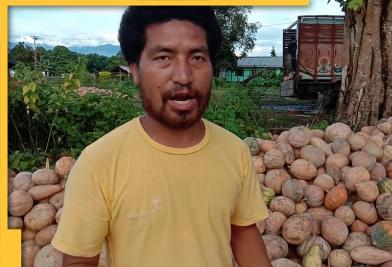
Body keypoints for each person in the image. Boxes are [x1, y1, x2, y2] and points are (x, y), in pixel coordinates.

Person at [51, 6, 270, 267]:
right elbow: (79, 261)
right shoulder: (98, 163)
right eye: (164, 57)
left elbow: (243, 232)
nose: (184, 76)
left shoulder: (234, 151)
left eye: (197, 57)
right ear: (134, 70)